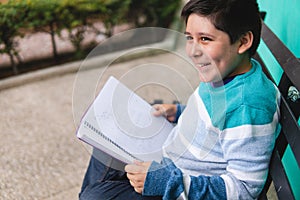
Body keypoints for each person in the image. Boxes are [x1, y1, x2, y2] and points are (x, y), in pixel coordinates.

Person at [79, 0, 281, 199]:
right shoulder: (224, 73)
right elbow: (217, 124)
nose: (193, 51)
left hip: (180, 185)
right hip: (170, 159)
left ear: (243, 42)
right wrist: (179, 112)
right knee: (107, 140)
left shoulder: (247, 106)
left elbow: (244, 190)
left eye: (205, 39)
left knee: (95, 195)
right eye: (189, 38)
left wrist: (166, 181)